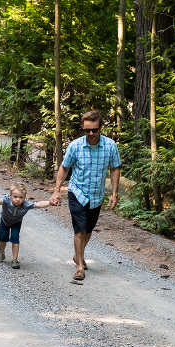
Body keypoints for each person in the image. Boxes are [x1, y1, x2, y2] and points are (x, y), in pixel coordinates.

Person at [50, 110, 121, 281]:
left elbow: (115, 168)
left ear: (100, 128)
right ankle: (80, 266)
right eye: (87, 130)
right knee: (80, 229)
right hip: (77, 192)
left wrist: (114, 193)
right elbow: (64, 167)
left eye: (94, 130)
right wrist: (57, 190)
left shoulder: (110, 146)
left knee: (88, 230)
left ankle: (78, 255)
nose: (90, 133)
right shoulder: (75, 146)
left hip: (96, 195)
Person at [0, 182, 53, 269]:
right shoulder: (7, 200)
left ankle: (14, 259)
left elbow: (38, 204)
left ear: (24, 197)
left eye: (21, 197)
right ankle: (1, 254)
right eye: (15, 197)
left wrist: (50, 202)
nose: (18, 199)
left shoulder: (25, 205)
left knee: (15, 239)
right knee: (3, 237)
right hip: (4, 221)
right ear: (10, 196)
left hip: (16, 223)